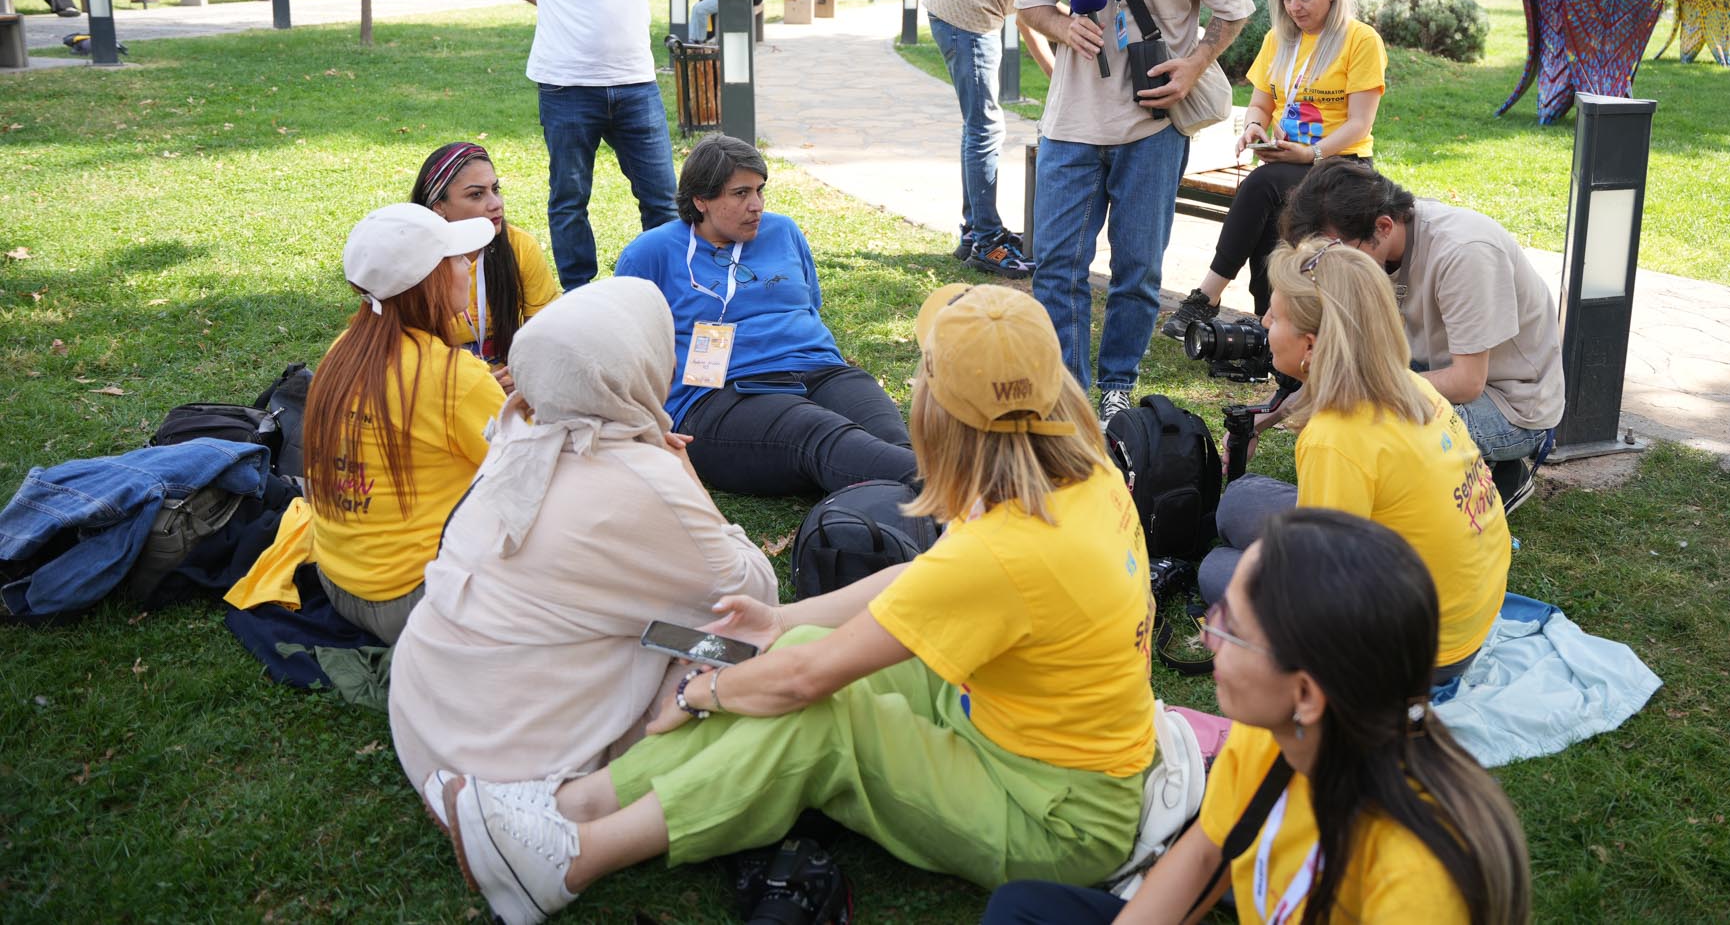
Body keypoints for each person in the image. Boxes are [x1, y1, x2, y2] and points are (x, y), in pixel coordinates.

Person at [432, 284, 1160, 923]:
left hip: (1056, 820)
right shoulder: (1077, 470)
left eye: (924, 372)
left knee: (817, 719)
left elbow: (813, 681)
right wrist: (781, 621)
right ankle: (572, 803)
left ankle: (571, 857)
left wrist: (702, 689)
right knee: (794, 653)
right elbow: (931, 580)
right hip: (1018, 740)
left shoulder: (1005, 548)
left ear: (944, 414)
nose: (912, 380)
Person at [983, 510, 1533, 925]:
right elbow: (1202, 853)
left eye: (1232, 629)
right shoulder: (1276, 736)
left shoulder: (1418, 881)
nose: (1205, 634)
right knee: (1020, 908)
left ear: (1306, 694)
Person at [388, 277, 776, 822]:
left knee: (647, 620)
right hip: (516, 772)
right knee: (742, 651)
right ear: (638, 364)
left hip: (432, 730)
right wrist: (690, 485)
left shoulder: (515, 438)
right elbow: (754, 596)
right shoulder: (641, 479)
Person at [1016, 0, 1252, 422]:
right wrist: (1062, 24)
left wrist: (1196, 61)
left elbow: (1233, 9)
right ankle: (1068, 397)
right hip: (1070, 122)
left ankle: (1116, 387)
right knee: (1057, 265)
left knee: (1138, 271)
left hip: (1152, 125)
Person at [1196, 243, 1512, 688]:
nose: (1264, 323)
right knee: (1238, 502)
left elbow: (1323, 589)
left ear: (1312, 345)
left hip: (1419, 650)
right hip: (1463, 609)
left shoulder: (1335, 437)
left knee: (1216, 569)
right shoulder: (1404, 382)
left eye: (1276, 315)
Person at [615, 134, 917, 495]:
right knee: (820, 433)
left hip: (821, 370)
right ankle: (969, 492)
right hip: (724, 396)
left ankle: (936, 514)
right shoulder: (652, 253)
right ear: (701, 200)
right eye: (740, 194)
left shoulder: (783, 231)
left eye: (759, 191)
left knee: (890, 442)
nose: (756, 205)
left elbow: (810, 307)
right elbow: (625, 351)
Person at [462, 0, 680, 292]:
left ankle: (667, 295)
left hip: (635, 81)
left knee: (663, 201)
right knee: (569, 199)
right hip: (567, 84)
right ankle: (581, 297)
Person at [305, 204, 507, 644]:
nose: (468, 266)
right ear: (429, 281)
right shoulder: (454, 376)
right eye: (456, 259)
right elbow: (527, 477)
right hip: (417, 601)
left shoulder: (344, 349)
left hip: (339, 582)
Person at [1283, 162, 1563, 477]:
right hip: (1431, 369)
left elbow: (1467, 382)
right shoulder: (1376, 248)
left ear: (1384, 227)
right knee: (1355, 411)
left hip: (1511, 406)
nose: (1330, 265)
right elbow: (1344, 358)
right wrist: (1266, 417)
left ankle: (1503, 478)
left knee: (1371, 428)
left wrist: (1363, 389)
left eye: (1335, 251)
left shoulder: (1464, 252)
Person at [1162, 0, 1385, 337]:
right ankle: (1268, 319)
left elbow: (1360, 124)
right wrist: (1253, 128)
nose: (1295, 7)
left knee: (1261, 185)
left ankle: (1206, 299)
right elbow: (1261, 105)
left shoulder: (1360, 39)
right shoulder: (1279, 39)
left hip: (1342, 163)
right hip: (1287, 161)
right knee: (1270, 207)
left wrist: (1312, 152)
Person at [924, 0, 1056, 279]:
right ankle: (985, 241)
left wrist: (1052, 69)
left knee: (979, 128)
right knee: (985, 128)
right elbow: (1036, 9)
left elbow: (1027, 13)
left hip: (961, 13)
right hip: (966, 16)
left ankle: (974, 232)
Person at [410, 142, 562, 370]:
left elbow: (544, 335)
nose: (496, 204)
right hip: (438, 382)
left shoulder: (519, 246)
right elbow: (405, 356)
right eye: (476, 194)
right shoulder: (412, 258)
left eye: (496, 189)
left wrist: (520, 376)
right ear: (439, 206)